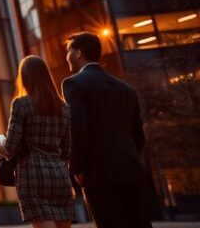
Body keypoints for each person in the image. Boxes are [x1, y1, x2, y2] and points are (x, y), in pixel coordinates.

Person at [62, 32, 151, 228]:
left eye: (68, 51)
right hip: (131, 170)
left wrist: (77, 169)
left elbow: (77, 129)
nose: (66, 56)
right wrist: (128, 158)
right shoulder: (126, 89)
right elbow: (138, 135)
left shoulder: (73, 84)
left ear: (78, 53)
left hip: (98, 175)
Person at [0, 55, 74, 228]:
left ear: (24, 78)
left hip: (32, 175)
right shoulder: (65, 109)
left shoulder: (21, 104)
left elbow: (10, 148)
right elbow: (67, 151)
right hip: (60, 176)